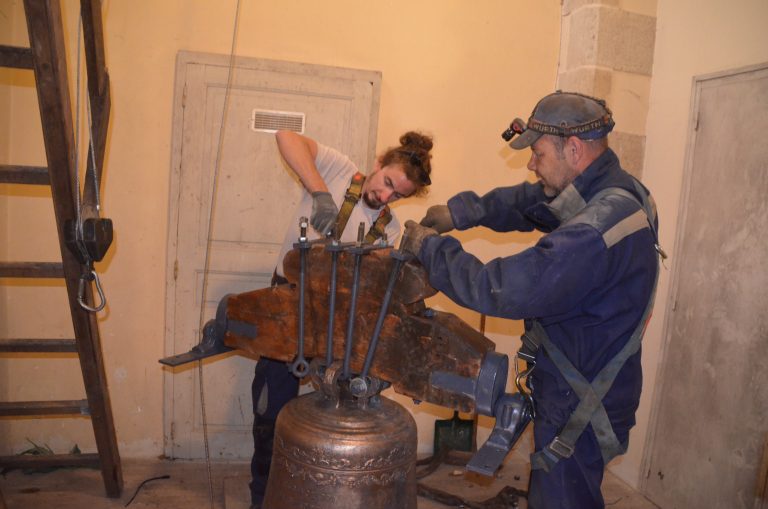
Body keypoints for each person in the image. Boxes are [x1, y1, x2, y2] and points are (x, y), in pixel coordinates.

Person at [401, 91, 661, 509]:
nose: (531, 165)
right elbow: (531, 201)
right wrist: (463, 212)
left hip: (580, 399)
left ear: (573, 149)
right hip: (584, 380)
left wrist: (430, 249)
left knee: (561, 499)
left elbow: (498, 287)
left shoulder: (594, 230)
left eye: (538, 154)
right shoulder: (616, 189)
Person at [250, 129, 434, 508]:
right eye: (387, 183)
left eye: (398, 195)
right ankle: (262, 496)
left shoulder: (389, 228)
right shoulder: (338, 170)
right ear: (378, 164)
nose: (385, 197)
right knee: (271, 411)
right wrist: (320, 193)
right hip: (288, 307)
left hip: (341, 323)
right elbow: (286, 137)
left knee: (340, 420)